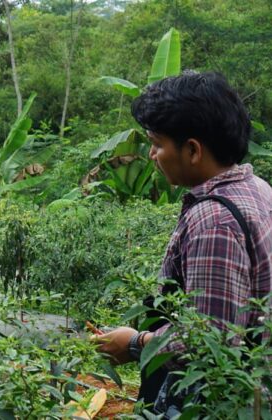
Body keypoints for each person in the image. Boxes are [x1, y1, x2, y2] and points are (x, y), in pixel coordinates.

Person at [94, 72, 272, 415]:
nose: (151, 155)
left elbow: (211, 347)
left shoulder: (214, 222)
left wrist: (134, 344)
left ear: (192, 150)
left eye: (157, 144)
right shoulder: (257, 188)